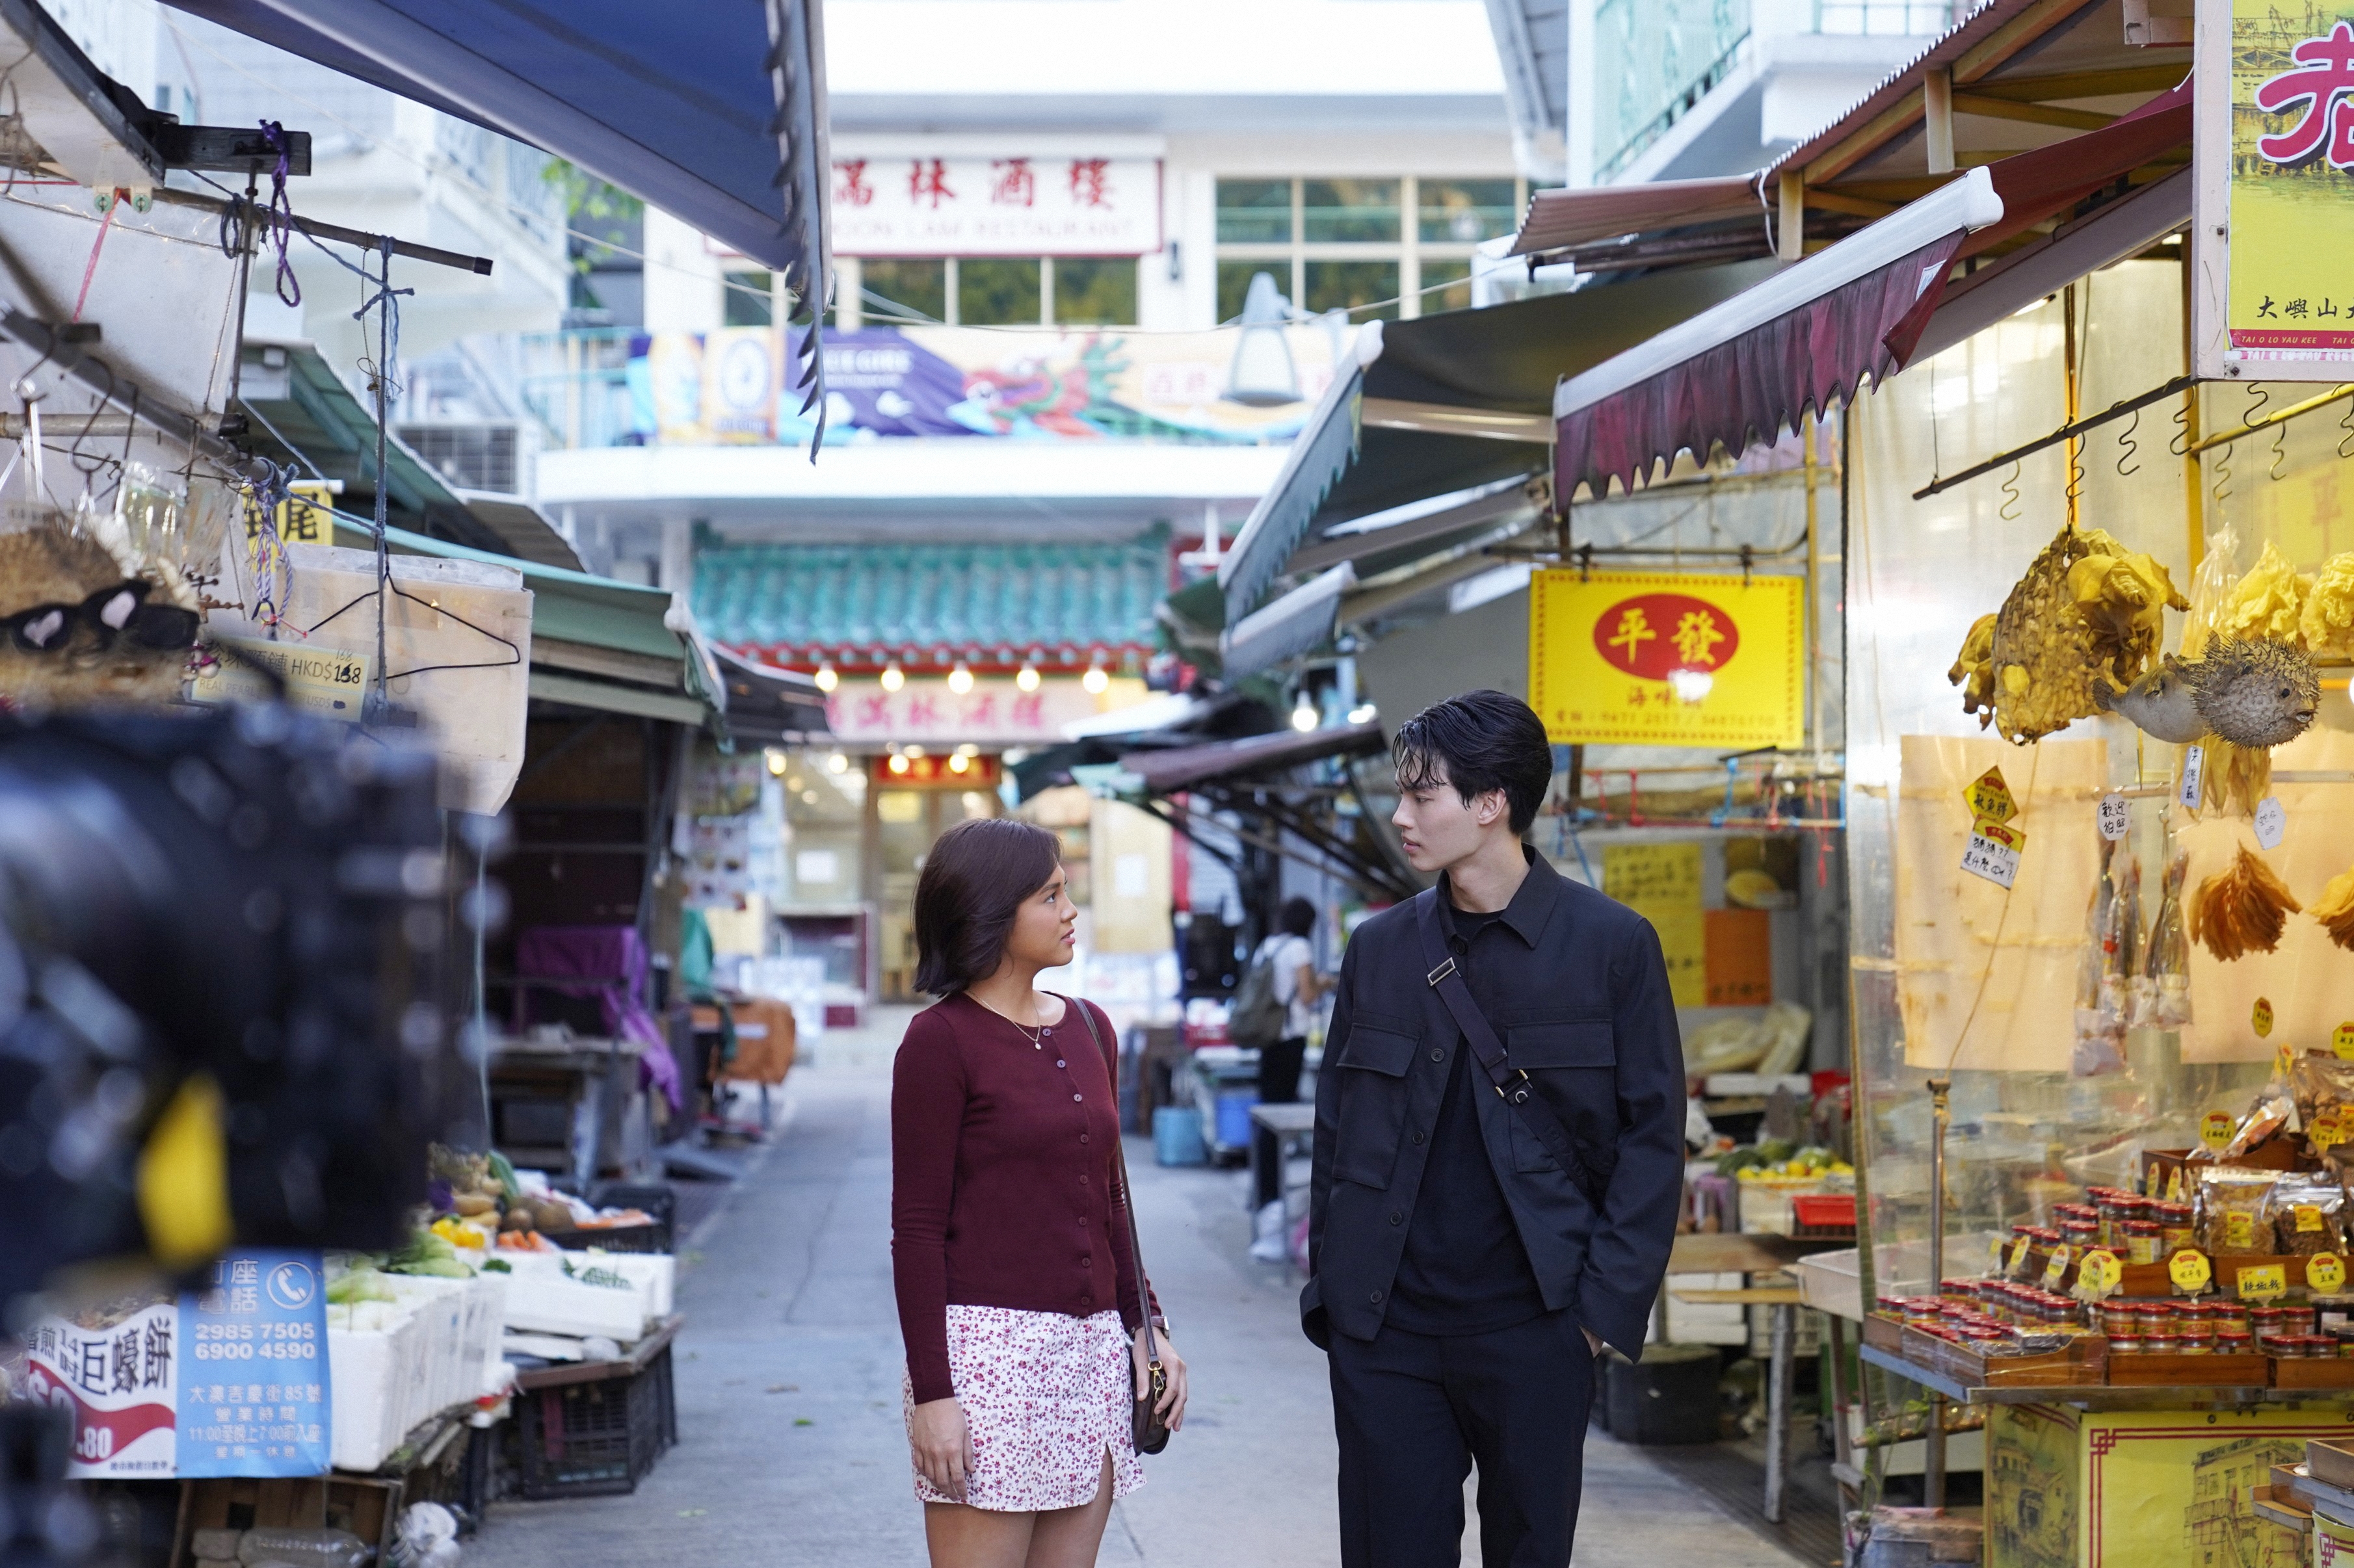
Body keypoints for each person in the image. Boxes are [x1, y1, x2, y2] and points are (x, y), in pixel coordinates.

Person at [1301, 690, 1682, 1568]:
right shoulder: (1380, 949)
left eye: (1422, 794)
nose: (1401, 816)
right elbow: (1337, 1129)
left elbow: (1653, 1142)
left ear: (1490, 803)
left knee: (1530, 1552)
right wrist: (1336, 1287)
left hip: (1538, 1327)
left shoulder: (1613, 945)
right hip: (1387, 1332)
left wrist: (1595, 1316)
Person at [892, 817, 1189, 1568]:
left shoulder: (1090, 1028)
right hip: (985, 1362)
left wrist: (1148, 1328)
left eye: (1066, 891)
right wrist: (934, 1395)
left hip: (1087, 1356)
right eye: (1049, 895)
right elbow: (917, 1231)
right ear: (993, 912)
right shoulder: (938, 1043)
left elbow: (1110, 1199)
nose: (1069, 910)